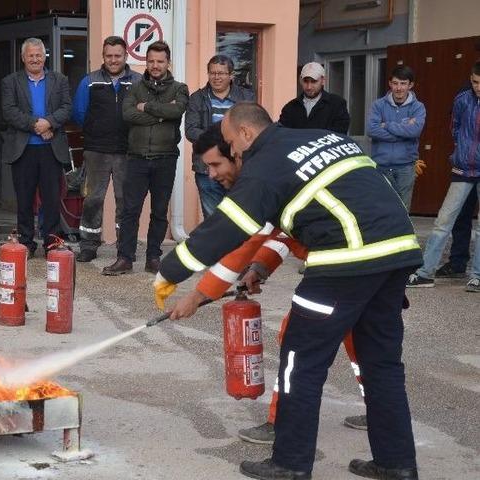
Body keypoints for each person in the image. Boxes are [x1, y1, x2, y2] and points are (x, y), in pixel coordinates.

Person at [155, 103, 421, 479]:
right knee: (382, 365)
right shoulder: (321, 138)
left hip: (345, 261)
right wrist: (257, 268)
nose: (232, 152)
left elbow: (229, 228)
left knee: (301, 364)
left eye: (231, 143)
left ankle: (290, 464)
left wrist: (169, 271)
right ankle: (396, 463)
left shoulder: (266, 164)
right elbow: (291, 224)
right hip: (397, 253)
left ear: (247, 133)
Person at [186, 124, 368, 445]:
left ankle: (281, 420)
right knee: (364, 340)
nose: (211, 175)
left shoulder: (264, 181)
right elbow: (284, 230)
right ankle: (379, 408)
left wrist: (198, 295)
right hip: (372, 262)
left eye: (216, 165)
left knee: (297, 338)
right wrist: (261, 266)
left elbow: (253, 239)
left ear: (237, 154)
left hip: (340, 265)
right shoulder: (286, 165)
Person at [102, 40, 188, 276]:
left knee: (159, 211)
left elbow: (177, 110)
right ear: (146, 62)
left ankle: (153, 257)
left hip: (166, 158)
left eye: (160, 61)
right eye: (151, 61)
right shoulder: (134, 87)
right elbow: (128, 115)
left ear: (168, 63)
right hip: (137, 158)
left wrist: (146, 107)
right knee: (130, 211)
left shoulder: (180, 88)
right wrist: (161, 115)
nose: (155, 65)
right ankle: (125, 258)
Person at [407, 61, 480, 292]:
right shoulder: (463, 100)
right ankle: (425, 273)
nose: (478, 87)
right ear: (471, 79)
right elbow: (455, 128)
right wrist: (461, 151)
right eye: (475, 82)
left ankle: (477, 277)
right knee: (443, 221)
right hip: (462, 168)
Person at [71, 35, 141, 262]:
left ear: (126, 56)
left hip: (128, 151)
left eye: (117, 56)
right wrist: (96, 131)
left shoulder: (139, 81)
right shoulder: (89, 81)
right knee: (93, 199)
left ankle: (125, 247)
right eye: (109, 56)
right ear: (103, 56)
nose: (113, 60)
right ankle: (88, 246)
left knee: (125, 201)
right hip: (96, 151)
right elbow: (79, 113)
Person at [0, 38, 72, 258]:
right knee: (24, 199)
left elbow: (66, 108)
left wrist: (49, 122)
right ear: (23, 58)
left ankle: (51, 242)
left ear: (44, 56)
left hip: (51, 149)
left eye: (38, 55)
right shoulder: (10, 82)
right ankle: (26, 242)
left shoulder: (60, 80)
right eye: (30, 55)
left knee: (51, 199)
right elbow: (9, 111)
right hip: (24, 150)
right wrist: (37, 126)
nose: (35, 59)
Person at [185, 55, 254, 218]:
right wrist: (223, 140)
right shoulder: (197, 98)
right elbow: (191, 130)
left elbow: (252, 129)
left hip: (238, 169)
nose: (216, 77)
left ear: (231, 75)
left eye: (221, 73)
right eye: (212, 73)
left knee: (239, 217)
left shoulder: (246, 97)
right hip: (207, 169)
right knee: (213, 218)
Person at [368, 65, 426, 208]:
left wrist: (386, 125)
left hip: (406, 167)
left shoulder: (418, 107)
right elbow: (372, 130)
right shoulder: (378, 105)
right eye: (395, 83)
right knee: (381, 208)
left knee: (403, 209)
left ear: (410, 85)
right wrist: (404, 130)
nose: (399, 88)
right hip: (381, 166)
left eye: (403, 83)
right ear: (390, 83)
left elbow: (415, 132)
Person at [279, 62, 350, 134]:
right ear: (300, 80)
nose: (309, 87)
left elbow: (340, 133)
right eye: (305, 81)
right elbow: (282, 133)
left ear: (323, 81)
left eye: (313, 81)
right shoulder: (290, 107)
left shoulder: (337, 104)